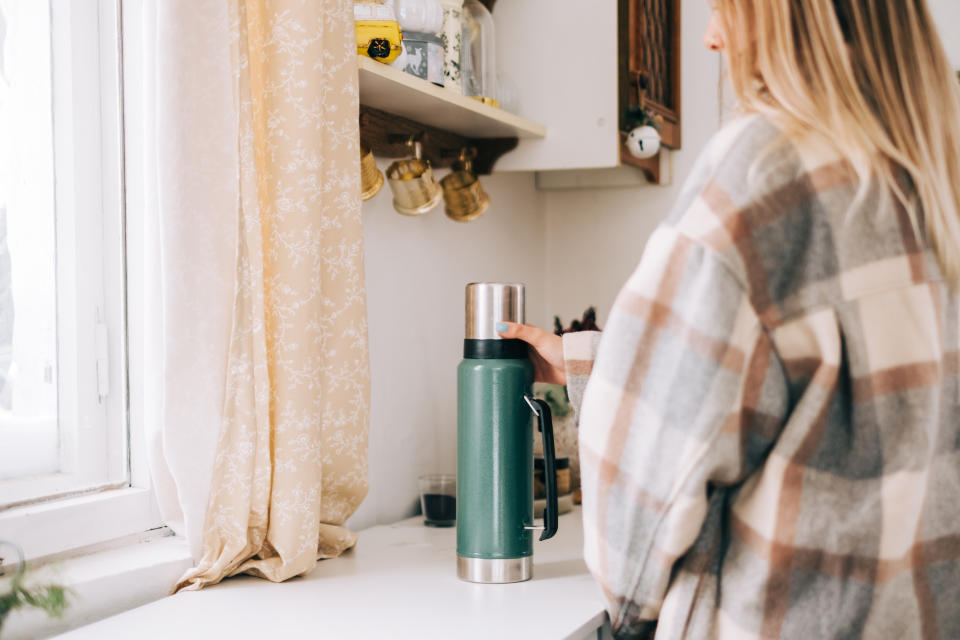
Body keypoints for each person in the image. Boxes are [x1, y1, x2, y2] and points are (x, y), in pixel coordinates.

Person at [499, 0, 960, 637]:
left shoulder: (769, 164)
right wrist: (591, 361)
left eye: (724, 9)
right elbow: (844, 404)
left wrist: (628, 616)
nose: (712, 39)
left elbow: (644, 492)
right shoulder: (931, 171)